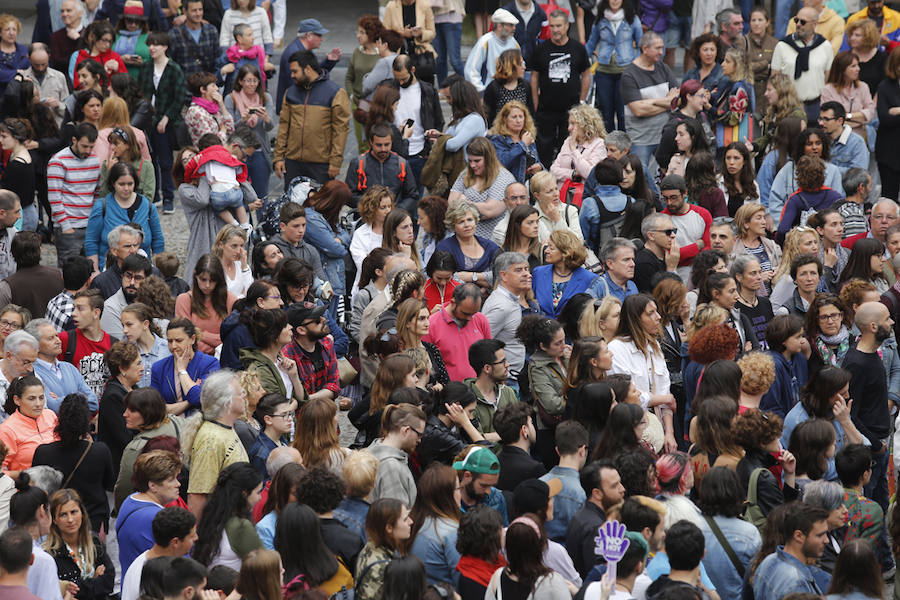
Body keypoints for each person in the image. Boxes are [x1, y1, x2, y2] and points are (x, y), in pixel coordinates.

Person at [842, 302, 893, 511]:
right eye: (887, 319)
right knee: (869, 509)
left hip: (881, 442)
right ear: (873, 327)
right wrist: (875, 445)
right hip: (870, 449)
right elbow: (851, 413)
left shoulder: (872, 355)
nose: (892, 322)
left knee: (881, 508)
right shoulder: (856, 363)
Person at [274, 49, 350, 185]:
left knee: (320, 205)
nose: (291, 75)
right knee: (292, 205)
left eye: (295, 71)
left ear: (307, 69)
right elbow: (284, 126)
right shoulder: (290, 93)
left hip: (321, 165)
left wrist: (335, 162)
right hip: (293, 163)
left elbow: (340, 130)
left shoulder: (335, 93)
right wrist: (278, 157)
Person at [183, 370, 250, 517]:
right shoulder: (210, 439)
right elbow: (197, 497)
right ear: (227, 402)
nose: (245, 395)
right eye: (240, 393)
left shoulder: (227, 428)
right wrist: (202, 538)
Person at [621, 32, 679, 196]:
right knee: (640, 179)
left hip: (665, 135)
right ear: (645, 48)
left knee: (671, 177)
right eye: (658, 48)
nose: (662, 52)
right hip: (641, 139)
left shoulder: (663, 67)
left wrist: (651, 102)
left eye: (662, 47)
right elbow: (637, 110)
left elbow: (678, 99)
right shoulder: (629, 75)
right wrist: (666, 102)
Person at [531, 11, 592, 167]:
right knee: (543, 149)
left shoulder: (578, 48)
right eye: (552, 26)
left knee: (568, 149)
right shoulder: (541, 49)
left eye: (559, 26)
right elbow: (534, 77)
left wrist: (582, 101)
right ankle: (543, 178)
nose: (555, 29)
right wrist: (535, 103)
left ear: (567, 26)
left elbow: (586, 75)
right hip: (546, 109)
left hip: (571, 110)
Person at [45, 488, 115, 600]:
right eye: (63, 514)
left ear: (82, 513)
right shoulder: (50, 554)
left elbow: (109, 582)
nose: (70, 520)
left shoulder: (95, 542)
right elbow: (55, 590)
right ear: (54, 520)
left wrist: (78, 586)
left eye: (74, 512)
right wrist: (95, 579)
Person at [47, 123, 100, 267]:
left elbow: (97, 192)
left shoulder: (95, 161)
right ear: (74, 140)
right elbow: (54, 198)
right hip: (68, 227)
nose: (88, 151)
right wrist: (65, 226)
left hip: (89, 225)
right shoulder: (58, 161)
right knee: (70, 273)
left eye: (91, 147)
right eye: (84, 146)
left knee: (90, 269)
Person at [191, 462, 262, 569]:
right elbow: (265, 564)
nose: (260, 498)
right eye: (258, 492)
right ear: (244, 493)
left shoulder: (211, 515)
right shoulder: (240, 526)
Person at [752, 502, 830, 598]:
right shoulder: (797, 583)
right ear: (798, 536)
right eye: (820, 535)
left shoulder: (768, 561)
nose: (827, 540)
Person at [771, 6, 835, 123]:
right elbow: (774, 78)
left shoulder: (825, 46)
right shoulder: (783, 45)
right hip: (788, 105)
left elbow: (828, 79)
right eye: (796, 20)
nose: (798, 24)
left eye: (803, 22)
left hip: (815, 105)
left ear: (814, 24)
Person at [120, 507, 197, 600]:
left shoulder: (168, 564)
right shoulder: (144, 574)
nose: (196, 538)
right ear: (175, 542)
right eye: (192, 536)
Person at [565, 459, 625, 577]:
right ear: (597, 493)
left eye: (620, 482)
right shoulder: (596, 528)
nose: (622, 489)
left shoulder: (584, 515)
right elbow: (597, 575)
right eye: (614, 486)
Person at [149, 319, 219, 415]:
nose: (173, 346)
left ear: (192, 339)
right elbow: (155, 408)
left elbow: (197, 398)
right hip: (170, 425)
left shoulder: (209, 364)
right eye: (170, 341)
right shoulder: (159, 368)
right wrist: (188, 403)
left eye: (179, 340)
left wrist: (182, 370)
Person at [282, 302, 341, 404]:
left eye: (322, 316)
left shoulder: (327, 343)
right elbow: (292, 398)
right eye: (318, 321)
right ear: (301, 330)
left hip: (325, 411)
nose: (324, 320)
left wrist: (307, 399)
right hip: (302, 416)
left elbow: (334, 386)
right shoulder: (287, 356)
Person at [369, 403, 426, 506]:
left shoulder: (370, 451)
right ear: (406, 430)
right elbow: (396, 516)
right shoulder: (391, 467)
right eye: (419, 435)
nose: (419, 440)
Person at [355, 498, 413, 600]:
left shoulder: (370, 547)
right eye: (405, 519)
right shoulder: (385, 567)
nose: (411, 522)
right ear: (389, 528)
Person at [660, 175, 713, 282]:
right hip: (675, 273)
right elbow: (669, 256)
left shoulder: (703, 214)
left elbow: (708, 248)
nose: (669, 203)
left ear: (685, 193)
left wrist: (682, 253)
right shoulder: (661, 219)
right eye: (665, 198)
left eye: (673, 198)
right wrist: (696, 246)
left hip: (702, 270)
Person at [0, 231, 63, 320]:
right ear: (40, 251)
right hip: (52, 331)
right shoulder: (58, 275)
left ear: (12, 253)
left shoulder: (7, 286)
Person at [464, 9, 521, 93]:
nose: (514, 28)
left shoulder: (513, 42)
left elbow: (521, 65)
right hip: (490, 91)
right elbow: (471, 70)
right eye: (511, 25)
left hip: (510, 91)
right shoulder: (485, 41)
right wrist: (481, 91)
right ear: (499, 26)